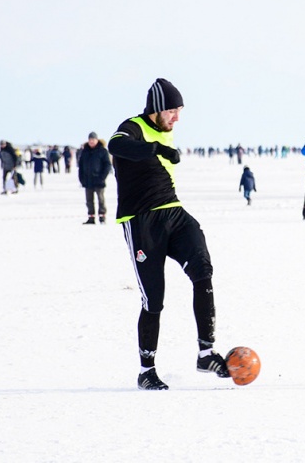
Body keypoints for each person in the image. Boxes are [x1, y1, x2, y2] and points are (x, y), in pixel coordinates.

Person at [108, 78, 230, 390]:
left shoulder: (167, 128)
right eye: (172, 111)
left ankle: (206, 353)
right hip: (141, 221)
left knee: (203, 270)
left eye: (179, 111)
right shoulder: (133, 126)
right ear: (157, 109)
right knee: (154, 299)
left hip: (173, 211)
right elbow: (116, 145)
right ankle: (146, 371)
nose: (177, 117)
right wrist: (156, 148)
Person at [78, 132, 112, 224]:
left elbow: (108, 165)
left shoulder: (102, 151)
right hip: (87, 181)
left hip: (99, 180)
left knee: (101, 199)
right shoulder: (85, 151)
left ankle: (102, 217)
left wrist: (102, 177)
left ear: (97, 140)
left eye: (93, 139)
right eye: (90, 140)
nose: (91, 141)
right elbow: (80, 166)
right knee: (89, 201)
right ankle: (91, 218)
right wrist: (81, 179)